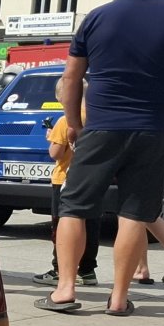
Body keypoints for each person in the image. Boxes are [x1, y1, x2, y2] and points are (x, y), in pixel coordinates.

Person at [40, 0, 164, 316]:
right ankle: (119, 299)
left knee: (73, 207)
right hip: (152, 130)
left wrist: (73, 123)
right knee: (135, 212)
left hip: (100, 126)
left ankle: (65, 290)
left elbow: (71, 77)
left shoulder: (98, 17)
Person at [33, 77, 100, 287]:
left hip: (65, 180)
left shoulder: (65, 120)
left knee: (61, 225)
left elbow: (56, 153)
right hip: (93, 179)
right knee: (91, 225)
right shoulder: (96, 117)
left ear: (62, 98)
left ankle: (58, 269)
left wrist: (51, 138)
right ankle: (88, 270)